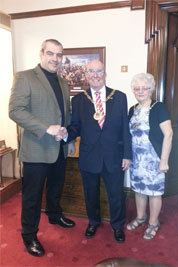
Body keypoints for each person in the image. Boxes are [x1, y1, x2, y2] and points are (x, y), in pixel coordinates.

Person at [9, 39, 75, 257]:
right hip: (36, 150)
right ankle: (29, 235)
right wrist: (47, 128)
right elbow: (16, 111)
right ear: (41, 54)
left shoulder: (63, 82)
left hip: (59, 149)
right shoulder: (25, 77)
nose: (55, 58)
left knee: (56, 189)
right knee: (32, 196)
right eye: (50, 53)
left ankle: (55, 215)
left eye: (59, 55)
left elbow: (65, 114)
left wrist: (67, 136)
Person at [66, 60, 132, 243]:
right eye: (91, 71)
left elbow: (125, 129)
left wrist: (127, 154)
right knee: (90, 193)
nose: (95, 75)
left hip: (114, 156)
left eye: (99, 71)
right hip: (89, 155)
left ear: (105, 74)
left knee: (116, 194)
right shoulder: (78, 100)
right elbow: (76, 127)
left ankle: (117, 226)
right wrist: (67, 135)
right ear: (86, 75)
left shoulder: (119, 97)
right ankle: (93, 222)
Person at [127, 73, 173, 240]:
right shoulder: (132, 109)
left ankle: (153, 222)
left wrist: (164, 161)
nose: (140, 91)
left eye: (144, 88)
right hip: (137, 159)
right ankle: (140, 217)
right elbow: (128, 135)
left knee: (154, 192)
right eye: (136, 88)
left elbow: (168, 135)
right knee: (139, 190)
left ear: (151, 89)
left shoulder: (158, 108)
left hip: (154, 159)